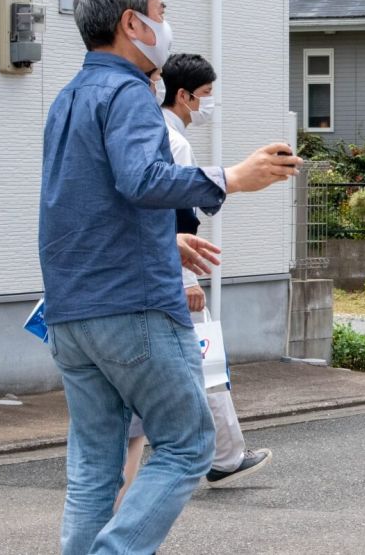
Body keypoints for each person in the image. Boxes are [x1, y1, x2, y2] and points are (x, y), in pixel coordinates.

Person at [39, 0, 301, 555]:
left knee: (94, 468)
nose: (168, 20)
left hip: (72, 311)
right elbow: (143, 179)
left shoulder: (68, 97)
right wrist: (231, 177)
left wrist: (165, 237)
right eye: (161, 10)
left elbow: (82, 201)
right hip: (134, 307)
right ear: (132, 24)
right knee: (187, 443)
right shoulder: (129, 94)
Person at [117, 55, 272, 508]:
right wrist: (185, 275)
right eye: (205, 96)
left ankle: (217, 453)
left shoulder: (150, 134)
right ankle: (212, 455)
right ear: (181, 95)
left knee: (162, 391)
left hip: (139, 281)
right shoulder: (172, 142)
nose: (210, 106)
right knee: (196, 372)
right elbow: (175, 217)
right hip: (164, 279)